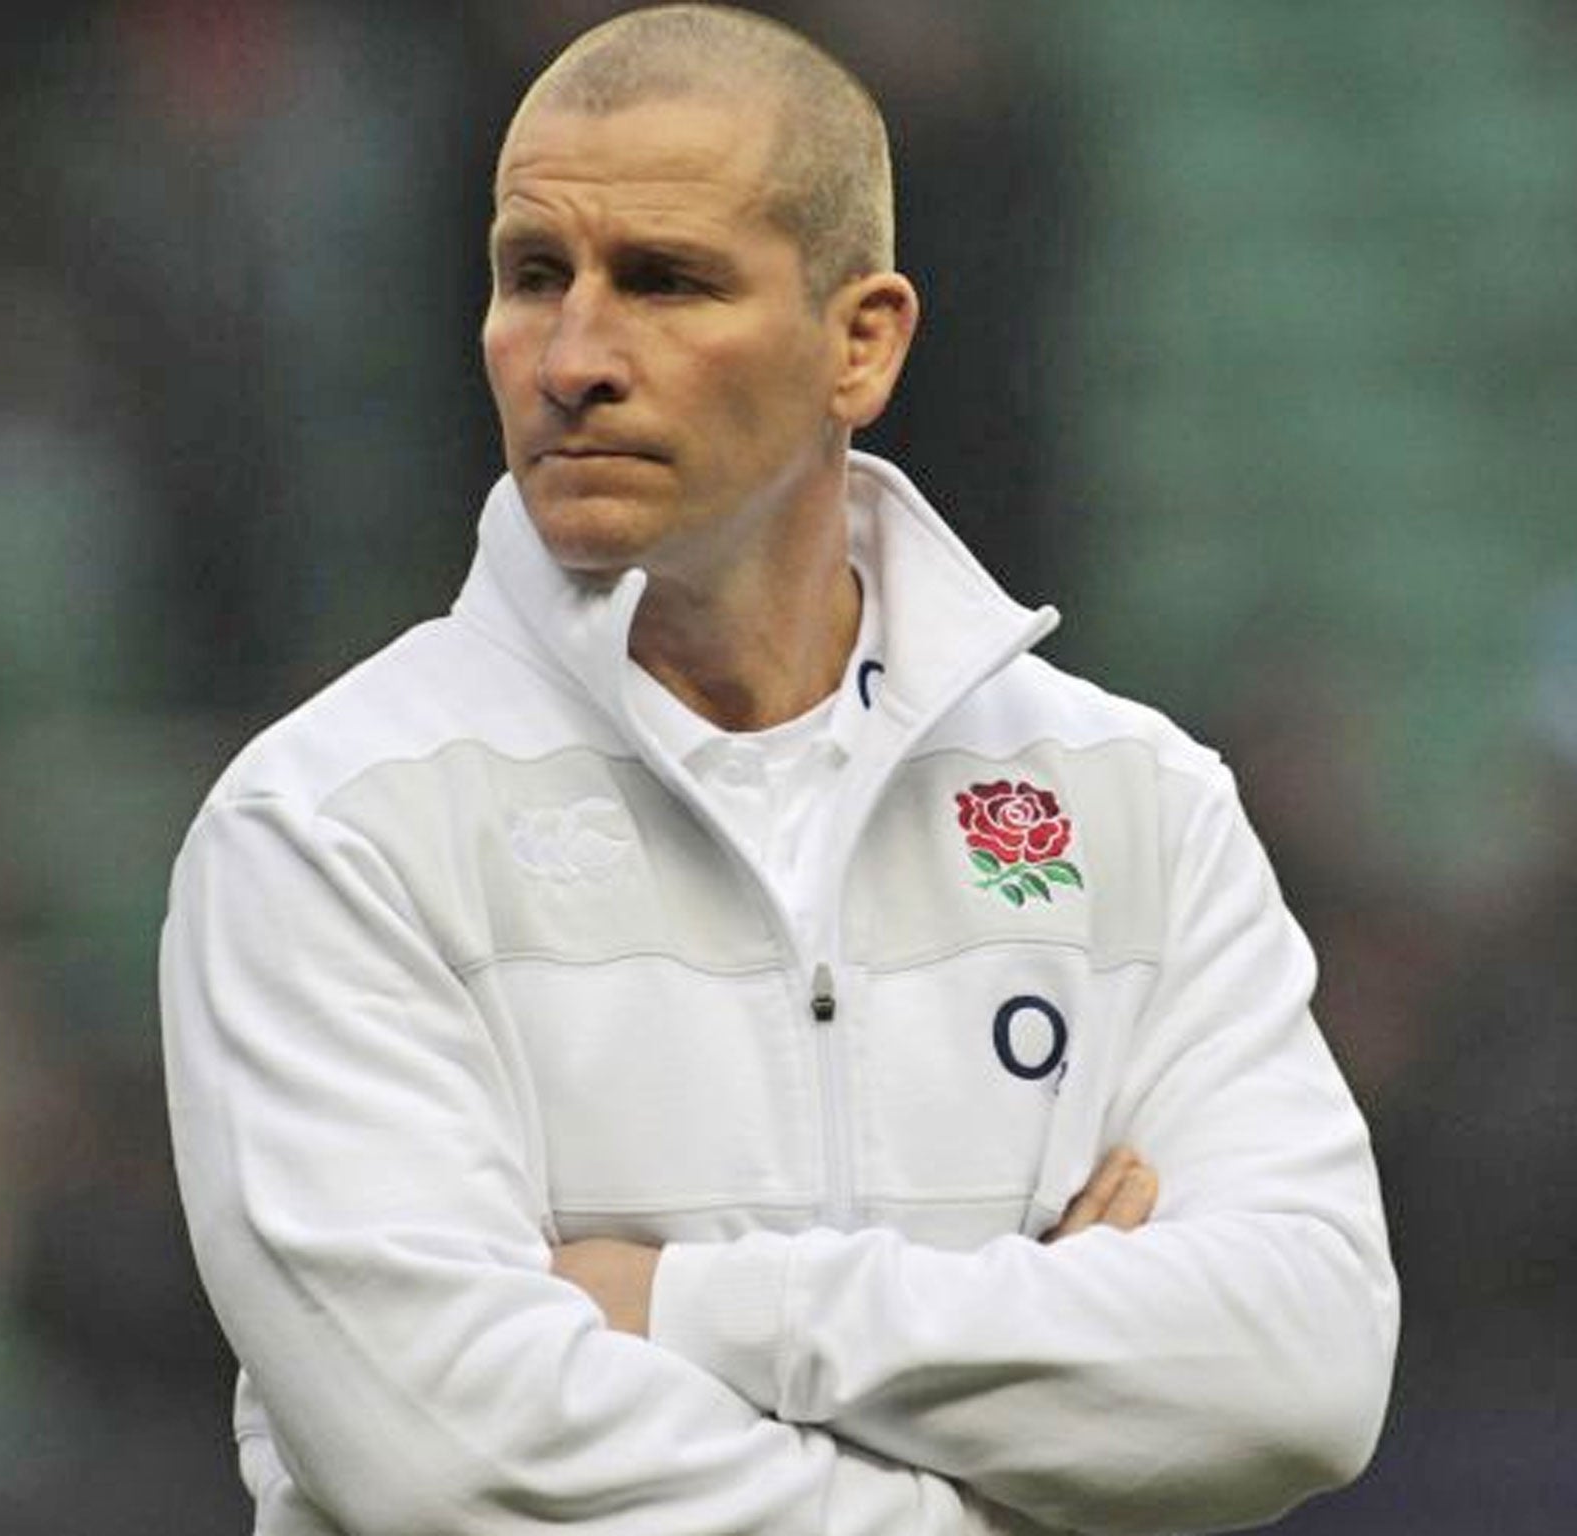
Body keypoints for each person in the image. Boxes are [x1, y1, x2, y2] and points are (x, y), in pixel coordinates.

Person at [160, 6, 1398, 1533]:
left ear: (859, 342)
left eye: (666, 282)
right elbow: (455, 1464)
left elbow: (1307, 1366)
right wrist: (1031, 1436)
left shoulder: (1135, 802)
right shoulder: (327, 828)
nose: (573, 359)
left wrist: (691, 1311)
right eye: (532, 275)